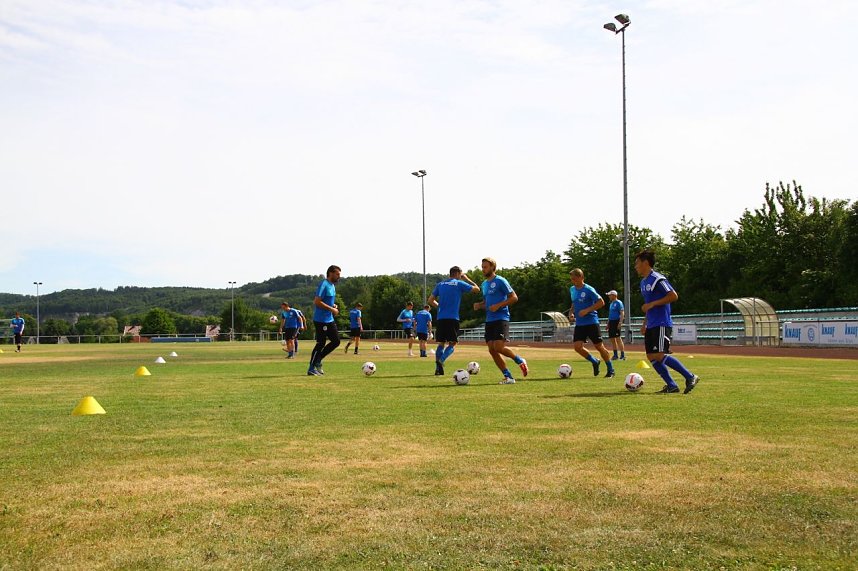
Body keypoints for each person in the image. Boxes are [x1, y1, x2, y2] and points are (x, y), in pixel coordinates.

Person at [635, 249, 699, 394]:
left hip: (661, 323)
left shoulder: (657, 278)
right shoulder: (643, 282)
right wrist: (645, 323)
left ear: (645, 263)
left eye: (637, 263)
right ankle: (671, 385)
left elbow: (673, 295)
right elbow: (648, 304)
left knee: (659, 355)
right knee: (651, 356)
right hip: (651, 324)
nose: (635, 266)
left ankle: (690, 376)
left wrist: (652, 304)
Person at [473, 257, 528, 384]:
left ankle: (519, 360)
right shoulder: (484, 284)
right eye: (482, 267)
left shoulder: (501, 281)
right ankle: (508, 377)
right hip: (489, 320)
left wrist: (499, 305)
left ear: (492, 267)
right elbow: (487, 302)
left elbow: (514, 297)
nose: (483, 269)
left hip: (501, 318)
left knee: (498, 347)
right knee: (492, 350)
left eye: (485, 267)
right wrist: (479, 305)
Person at [428, 266, 479, 376]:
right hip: (452, 318)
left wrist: (440, 307)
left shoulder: (440, 284)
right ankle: (441, 360)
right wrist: (466, 278)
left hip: (441, 318)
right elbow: (477, 289)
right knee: (452, 343)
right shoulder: (458, 283)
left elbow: (430, 300)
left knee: (441, 343)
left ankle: (438, 369)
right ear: (458, 274)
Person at [568, 269, 615, 378]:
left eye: (574, 279)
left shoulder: (589, 289)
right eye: (571, 279)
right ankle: (594, 361)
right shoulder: (572, 289)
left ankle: (610, 369)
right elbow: (574, 302)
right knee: (577, 347)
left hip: (591, 322)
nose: (572, 281)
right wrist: (571, 312)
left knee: (599, 346)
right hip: (580, 324)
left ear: (581, 277)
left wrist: (587, 310)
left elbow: (601, 302)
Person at [308, 265, 342, 376]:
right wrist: (332, 309)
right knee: (321, 343)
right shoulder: (324, 284)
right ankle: (311, 368)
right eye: (337, 274)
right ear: (330, 273)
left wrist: (333, 305)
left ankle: (318, 360)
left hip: (329, 319)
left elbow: (327, 300)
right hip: (321, 319)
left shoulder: (332, 286)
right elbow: (317, 301)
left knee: (336, 341)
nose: (339, 277)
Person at [605, 290, 626, 360]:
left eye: (610, 295)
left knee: (618, 338)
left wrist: (620, 322)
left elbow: (622, 313)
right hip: (611, 322)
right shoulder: (611, 304)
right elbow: (610, 315)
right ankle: (615, 355)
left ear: (614, 295)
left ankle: (623, 355)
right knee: (612, 339)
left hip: (616, 321)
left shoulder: (618, 303)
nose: (609, 296)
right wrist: (608, 323)